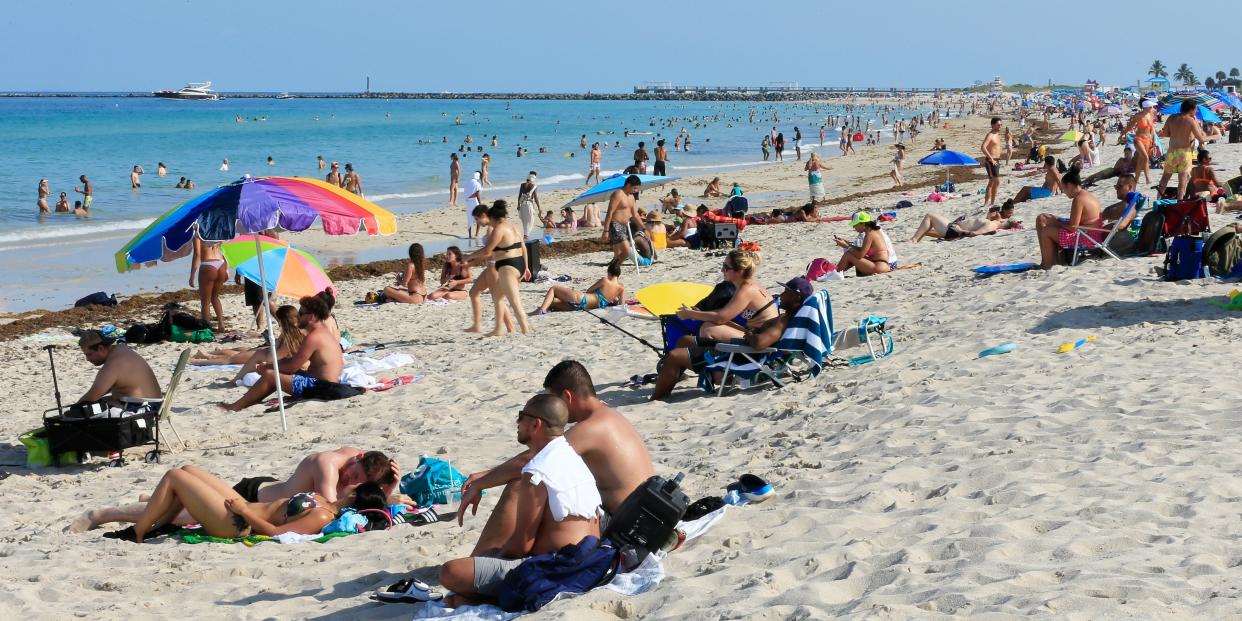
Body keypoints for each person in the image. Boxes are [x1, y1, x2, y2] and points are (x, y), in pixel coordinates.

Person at [456, 362, 653, 548]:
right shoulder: (608, 416)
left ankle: (480, 560)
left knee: (523, 483)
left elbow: (535, 460)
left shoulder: (593, 427)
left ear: (567, 397)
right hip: (642, 521)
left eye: (554, 401)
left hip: (627, 530)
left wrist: (482, 481)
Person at [435, 394, 601, 607]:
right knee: (483, 562)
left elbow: (522, 545)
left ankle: (480, 597)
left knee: (451, 572)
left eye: (521, 416)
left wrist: (498, 553)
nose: (517, 422)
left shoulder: (536, 471)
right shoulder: (571, 457)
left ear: (535, 424)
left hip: (559, 569)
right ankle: (477, 595)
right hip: (591, 559)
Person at [68, 448, 400, 534]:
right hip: (252, 495)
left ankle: (154, 499)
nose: (351, 483)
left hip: (262, 503)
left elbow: (356, 495)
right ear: (356, 459)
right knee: (181, 515)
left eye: (358, 481)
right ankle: (104, 514)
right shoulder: (329, 465)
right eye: (353, 476)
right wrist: (385, 495)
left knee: (181, 501)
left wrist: (391, 485)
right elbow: (334, 500)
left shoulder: (359, 464)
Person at [81, 464, 391, 543]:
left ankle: (138, 532)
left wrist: (243, 511)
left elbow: (276, 534)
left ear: (355, 495)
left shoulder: (323, 515)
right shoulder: (327, 499)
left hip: (236, 525)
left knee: (175, 476)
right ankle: (155, 525)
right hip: (241, 509)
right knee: (189, 470)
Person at [651, 278, 812, 401]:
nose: (782, 294)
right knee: (685, 340)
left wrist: (750, 334)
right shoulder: (786, 318)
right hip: (741, 348)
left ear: (797, 299)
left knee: (674, 356)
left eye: (787, 292)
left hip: (738, 355)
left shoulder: (782, 322)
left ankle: (657, 398)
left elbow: (759, 343)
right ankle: (669, 381)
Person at [223, 292, 347, 410]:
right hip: (328, 383)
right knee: (276, 371)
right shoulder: (323, 333)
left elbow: (292, 367)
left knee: (271, 375)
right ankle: (249, 401)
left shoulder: (313, 337)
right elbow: (295, 364)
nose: (298, 317)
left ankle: (235, 406)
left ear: (312, 317)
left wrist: (267, 367)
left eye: (301, 313)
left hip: (321, 387)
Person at [678, 248, 778, 342]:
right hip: (758, 334)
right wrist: (700, 314)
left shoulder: (747, 289)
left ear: (739, 271)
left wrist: (690, 314)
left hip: (760, 340)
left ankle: (716, 358)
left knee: (708, 328)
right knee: (710, 322)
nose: (722, 270)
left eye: (726, 267)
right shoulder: (750, 285)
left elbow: (721, 318)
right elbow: (726, 313)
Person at [467, 201, 531, 336]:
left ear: (491, 216)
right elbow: (523, 247)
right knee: (497, 297)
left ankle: (526, 331)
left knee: (515, 303)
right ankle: (497, 330)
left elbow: (487, 251)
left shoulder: (499, 228)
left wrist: (467, 257)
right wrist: (525, 267)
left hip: (508, 266)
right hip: (517, 264)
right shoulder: (512, 225)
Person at [192, 305, 304, 377]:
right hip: (271, 353)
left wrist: (270, 347)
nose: (278, 323)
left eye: (279, 320)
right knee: (242, 351)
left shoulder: (290, 337)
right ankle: (210, 355)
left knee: (233, 358)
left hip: (269, 357)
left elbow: (272, 357)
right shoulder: (295, 332)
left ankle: (201, 360)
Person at [1034, 168, 1102, 270]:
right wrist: (1057, 221)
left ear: (1069, 185)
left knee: (1047, 231)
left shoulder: (1079, 200)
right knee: (1042, 218)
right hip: (1091, 233)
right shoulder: (1087, 195)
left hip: (1086, 237)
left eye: (1064, 189)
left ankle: (1048, 264)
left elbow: (1072, 227)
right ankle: (1048, 260)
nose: (1064, 192)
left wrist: (1057, 223)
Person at [75, 329, 162, 405]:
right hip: (152, 404)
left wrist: (72, 410)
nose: (87, 359)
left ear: (101, 348)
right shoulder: (121, 349)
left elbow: (92, 396)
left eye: (89, 354)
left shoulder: (114, 363)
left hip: (142, 408)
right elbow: (103, 389)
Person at [1157, 100, 1222, 199]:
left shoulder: (1171, 118)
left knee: (1165, 178)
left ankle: (1158, 199)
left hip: (1172, 151)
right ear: (1192, 109)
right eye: (1195, 109)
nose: (1196, 111)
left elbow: (1165, 134)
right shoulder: (1190, 120)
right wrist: (1215, 136)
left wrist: (1177, 133)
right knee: (1182, 180)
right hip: (1184, 153)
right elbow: (1201, 138)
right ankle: (1180, 202)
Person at [532, 260, 624, 314]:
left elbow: (589, 290)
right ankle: (544, 309)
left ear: (609, 273)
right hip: (583, 308)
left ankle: (542, 310)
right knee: (553, 302)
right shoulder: (621, 289)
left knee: (554, 289)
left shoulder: (605, 280)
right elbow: (622, 305)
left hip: (582, 299)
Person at [911, 202, 1020, 242]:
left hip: (953, 230)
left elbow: (974, 234)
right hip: (953, 227)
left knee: (930, 215)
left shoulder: (992, 225)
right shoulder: (993, 222)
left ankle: (914, 240)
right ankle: (917, 238)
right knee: (929, 224)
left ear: (1003, 223)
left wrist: (960, 230)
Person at [833, 211, 898, 276]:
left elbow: (860, 255)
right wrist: (847, 244)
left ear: (863, 224)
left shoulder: (869, 235)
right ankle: (835, 272)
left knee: (848, 255)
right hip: (882, 265)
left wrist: (846, 246)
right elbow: (862, 250)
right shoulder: (873, 231)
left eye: (855, 225)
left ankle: (834, 274)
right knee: (850, 254)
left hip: (879, 267)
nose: (853, 227)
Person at [601, 175, 645, 265]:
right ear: (628, 185)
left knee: (618, 254)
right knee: (627, 251)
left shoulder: (631, 197)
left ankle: (613, 268)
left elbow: (635, 215)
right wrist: (605, 230)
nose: (636, 190)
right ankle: (614, 267)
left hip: (624, 226)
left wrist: (643, 228)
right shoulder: (618, 194)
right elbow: (610, 212)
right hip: (615, 225)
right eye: (635, 188)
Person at [190, 237, 228, 332]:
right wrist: (227, 269)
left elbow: (197, 254)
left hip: (208, 264)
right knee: (215, 297)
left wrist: (192, 275)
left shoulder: (198, 234)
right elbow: (224, 249)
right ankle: (221, 324)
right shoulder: (216, 232)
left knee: (205, 301)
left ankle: (206, 328)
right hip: (221, 263)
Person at [1122, 100, 1158, 185]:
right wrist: (1123, 134)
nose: (1152, 108)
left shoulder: (1150, 115)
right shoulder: (1138, 116)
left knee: (1141, 160)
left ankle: (1136, 178)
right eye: (1151, 107)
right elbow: (1130, 126)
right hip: (1138, 139)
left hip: (1148, 139)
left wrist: (1153, 139)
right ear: (1146, 107)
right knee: (1145, 157)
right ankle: (1147, 178)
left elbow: (1152, 128)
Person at [981, 117, 1003, 208]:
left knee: (994, 182)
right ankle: (986, 203)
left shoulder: (997, 134)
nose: (1000, 126)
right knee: (994, 181)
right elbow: (983, 147)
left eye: (1001, 125)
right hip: (991, 161)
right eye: (998, 125)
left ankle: (992, 202)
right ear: (993, 125)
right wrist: (991, 159)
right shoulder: (990, 135)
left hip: (997, 160)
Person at [517, 172, 540, 237]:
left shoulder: (522, 185)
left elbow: (519, 196)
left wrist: (518, 205)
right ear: (533, 178)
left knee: (524, 220)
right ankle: (526, 235)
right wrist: (539, 207)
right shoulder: (533, 186)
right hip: (529, 205)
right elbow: (535, 198)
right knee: (531, 220)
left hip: (522, 205)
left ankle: (525, 234)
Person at [464, 171, 484, 238]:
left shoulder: (467, 182)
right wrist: (480, 203)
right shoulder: (477, 184)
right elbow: (477, 194)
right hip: (475, 202)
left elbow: (466, 192)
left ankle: (469, 235)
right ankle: (476, 234)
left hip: (468, 202)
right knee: (478, 217)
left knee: (469, 218)